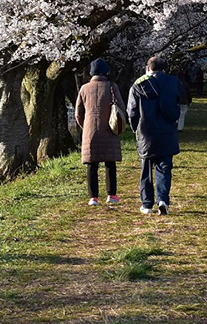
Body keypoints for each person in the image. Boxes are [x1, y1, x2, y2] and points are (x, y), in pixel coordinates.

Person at [127, 56, 182, 215]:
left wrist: (134, 127)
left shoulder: (137, 85)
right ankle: (163, 199)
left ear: (147, 68)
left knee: (146, 169)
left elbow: (132, 111)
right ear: (163, 69)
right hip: (166, 131)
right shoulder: (173, 82)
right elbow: (180, 101)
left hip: (146, 132)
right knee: (164, 168)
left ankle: (147, 204)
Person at [75, 58, 125, 206]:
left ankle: (93, 197)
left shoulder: (84, 88)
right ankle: (112, 195)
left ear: (91, 73)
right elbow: (121, 107)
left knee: (92, 164)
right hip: (109, 128)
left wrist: (85, 127)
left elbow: (78, 113)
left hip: (90, 130)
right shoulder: (112, 86)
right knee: (110, 163)